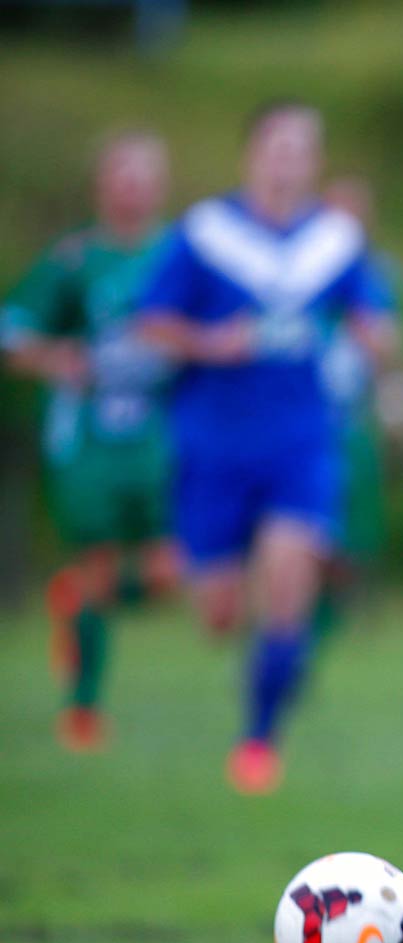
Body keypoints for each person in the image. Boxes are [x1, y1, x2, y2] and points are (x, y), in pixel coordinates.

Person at [137, 102, 399, 796]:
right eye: (278, 146)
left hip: (300, 440)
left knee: (287, 581)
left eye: (303, 149)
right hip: (213, 442)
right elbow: (151, 322)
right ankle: (260, 650)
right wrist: (208, 343)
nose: (290, 160)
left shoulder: (335, 241)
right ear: (252, 154)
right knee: (219, 616)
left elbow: (371, 313)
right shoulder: (206, 233)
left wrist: (380, 341)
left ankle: (257, 743)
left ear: (314, 162)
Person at [1, 131, 181, 751]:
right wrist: (57, 357)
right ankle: (83, 707)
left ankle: (72, 601)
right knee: (99, 563)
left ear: (162, 184)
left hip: (162, 436)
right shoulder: (74, 260)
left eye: (144, 173)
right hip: (89, 441)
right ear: (101, 184)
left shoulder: (179, 255)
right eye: (121, 173)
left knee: (172, 571)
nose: (132, 186)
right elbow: (12, 333)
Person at [314, 176, 403, 637]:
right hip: (305, 423)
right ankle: (292, 636)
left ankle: (314, 635)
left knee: (350, 548)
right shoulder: (296, 270)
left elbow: (392, 346)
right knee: (304, 536)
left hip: (355, 424)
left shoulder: (381, 276)